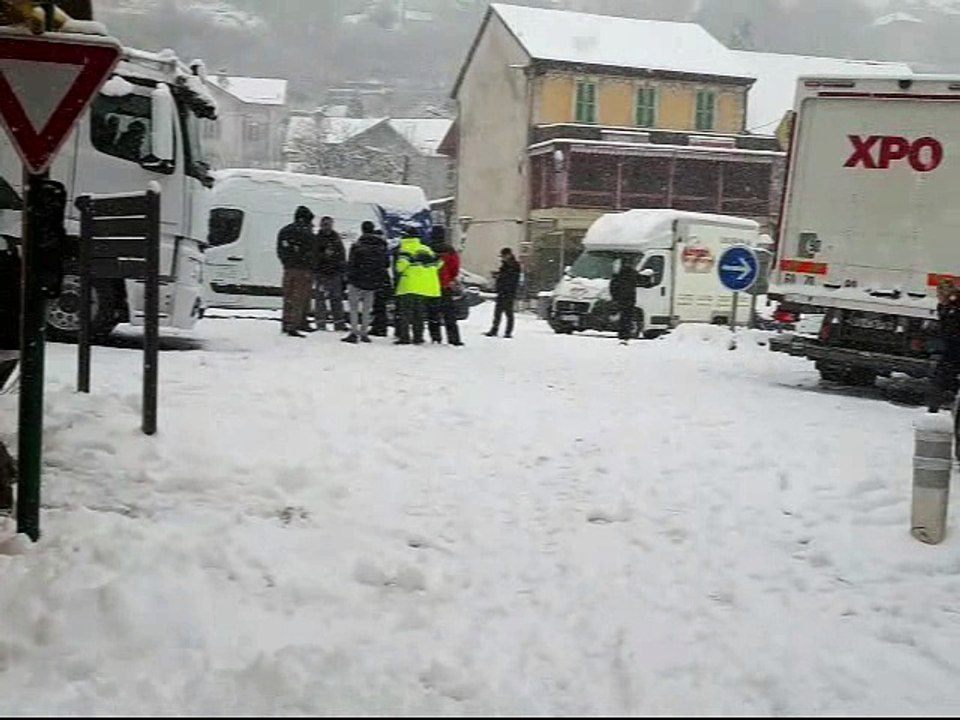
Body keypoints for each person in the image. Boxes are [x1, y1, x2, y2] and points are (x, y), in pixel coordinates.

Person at [343, 221, 390, 344]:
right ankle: (364, 333)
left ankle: (354, 332)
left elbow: (351, 264)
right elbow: (386, 264)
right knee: (367, 309)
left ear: (362, 230)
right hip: (372, 282)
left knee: (354, 308)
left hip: (356, 280)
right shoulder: (381, 246)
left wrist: (349, 277)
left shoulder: (357, 246)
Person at [394, 227, 442, 346]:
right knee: (418, 314)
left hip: (409, 286)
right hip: (424, 287)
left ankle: (404, 337)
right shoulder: (426, 249)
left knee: (405, 313)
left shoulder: (405, 249)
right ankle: (418, 337)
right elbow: (439, 263)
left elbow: (400, 267)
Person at [276, 205, 317, 338]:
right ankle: (296, 324)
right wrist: (310, 264)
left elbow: (280, 250)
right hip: (304, 269)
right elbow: (313, 250)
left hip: (289, 268)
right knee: (301, 298)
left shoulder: (285, 231)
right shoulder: (306, 232)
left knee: (290, 297)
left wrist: (287, 262)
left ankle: (288, 323)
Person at [928, 278, 960, 412]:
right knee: (941, 375)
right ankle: (935, 407)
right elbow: (945, 326)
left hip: (955, 345)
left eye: (941, 294)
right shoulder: (942, 306)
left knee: (943, 375)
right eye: (938, 294)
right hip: (950, 346)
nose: (939, 297)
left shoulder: (956, 306)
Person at [431, 227, 464, 346]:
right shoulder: (450, 250)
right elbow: (455, 268)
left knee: (433, 314)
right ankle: (454, 339)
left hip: (431, 285)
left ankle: (436, 337)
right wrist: (449, 278)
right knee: (449, 314)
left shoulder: (428, 249)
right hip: (445, 286)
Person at [314, 216, 348, 331]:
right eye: (325, 225)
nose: (327, 227)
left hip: (335, 273)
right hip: (321, 273)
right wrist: (324, 255)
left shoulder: (336, 238)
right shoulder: (317, 239)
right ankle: (320, 324)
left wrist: (342, 271)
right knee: (320, 299)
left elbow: (342, 255)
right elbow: (313, 256)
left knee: (336, 299)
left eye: (328, 225)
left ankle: (339, 323)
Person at [485, 247, 522, 338]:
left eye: (503, 256)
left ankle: (508, 332)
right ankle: (494, 329)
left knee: (508, 312)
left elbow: (511, 278)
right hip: (502, 291)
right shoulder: (505, 264)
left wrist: (500, 276)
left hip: (509, 291)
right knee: (498, 312)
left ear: (508, 255)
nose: (502, 258)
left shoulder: (514, 265)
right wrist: (498, 276)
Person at [609, 257, 641, 344]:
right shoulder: (632, 273)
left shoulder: (617, 275)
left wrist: (614, 297)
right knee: (627, 317)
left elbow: (612, 286)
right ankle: (625, 334)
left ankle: (622, 334)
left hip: (620, 298)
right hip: (629, 298)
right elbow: (642, 281)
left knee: (623, 317)